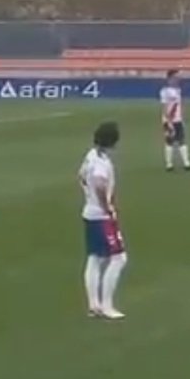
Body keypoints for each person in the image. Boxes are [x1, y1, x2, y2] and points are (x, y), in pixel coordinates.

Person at [80, 121, 128, 319]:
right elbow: (100, 184)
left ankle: (94, 304)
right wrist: (107, 207)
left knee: (95, 258)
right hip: (101, 216)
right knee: (119, 258)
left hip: (89, 212)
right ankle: (107, 305)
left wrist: (87, 194)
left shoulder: (90, 156)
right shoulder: (101, 163)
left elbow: (80, 176)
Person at [160, 69, 190, 172]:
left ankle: (186, 163)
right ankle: (169, 165)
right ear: (170, 78)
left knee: (181, 140)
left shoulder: (178, 90)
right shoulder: (165, 91)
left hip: (177, 119)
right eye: (176, 77)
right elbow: (164, 107)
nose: (178, 79)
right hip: (169, 120)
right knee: (170, 141)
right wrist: (168, 121)